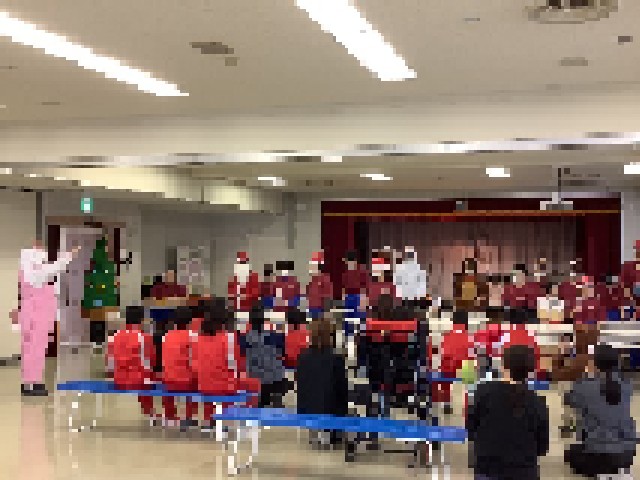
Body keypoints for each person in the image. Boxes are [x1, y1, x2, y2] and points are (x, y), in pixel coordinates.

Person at [467, 345, 549, 480]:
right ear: (530, 370)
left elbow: (471, 429)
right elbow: (542, 448)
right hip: (524, 473)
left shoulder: (482, 392)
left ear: (503, 366)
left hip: (488, 470)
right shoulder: (538, 402)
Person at [14, 240, 80, 396]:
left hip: (35, 314)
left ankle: (30, 382)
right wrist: (68, 256)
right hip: (37, 315)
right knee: (35, 349)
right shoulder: (33, 273)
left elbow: (50, 270)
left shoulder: (28, 272)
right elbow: (52, 268)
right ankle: (32, 383)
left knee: (32, 348)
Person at [565, 344, 637, 478]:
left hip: (598, 455)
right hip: (627, 454)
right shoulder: (627, 384)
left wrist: (586, 376)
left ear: (595, 364)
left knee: (570, 454)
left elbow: (569, 399)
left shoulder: (585, 386)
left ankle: (603, 472)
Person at [192, 299, 259, 427]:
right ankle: (246, 419)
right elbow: (235, 364)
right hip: (224, 386)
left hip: (203, 385)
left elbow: (196, 363)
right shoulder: (229, 337)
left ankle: (208, 419)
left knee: (210, 377)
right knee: (254, 384)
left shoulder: (198, 338)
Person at [297, 316, 348, 449]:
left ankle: (317, 433)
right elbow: (342, 390)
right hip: (330, 410)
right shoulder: (336, 358)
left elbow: (302, 387)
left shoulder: (303, 357)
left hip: (307, 409)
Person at [105, 305, 157, 420]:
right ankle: (149, 410)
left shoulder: (115, 336)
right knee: (151, 375)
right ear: (142, 320)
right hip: (138, 381)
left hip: (118, 380)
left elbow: (109, 363)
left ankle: (148, 411)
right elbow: (150, 362)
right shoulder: (144, 337)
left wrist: (113, 376)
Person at [161, 306, 199, 428]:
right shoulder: (193, 336)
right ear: (191, 321)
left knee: (167, 375)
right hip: (187, 382)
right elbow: (195, 361)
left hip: (169, 380)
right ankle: (189, 415)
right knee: (196, 379)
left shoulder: (167, 336)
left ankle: (169, 415)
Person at [244, 306, 287, 408]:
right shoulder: (274, 337)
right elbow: (282, 354)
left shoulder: (245, 339)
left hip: (256, 379)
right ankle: (277, 405)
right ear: (264, 320)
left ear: (250, 321)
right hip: (274, 378)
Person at [436, 310, 475, 415]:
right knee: (470, 370)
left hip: (449, 364)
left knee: (444, 368)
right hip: (465, 364)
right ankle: (469, 404)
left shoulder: (446, 336)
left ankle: (446, 403)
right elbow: (471, 354)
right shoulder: (469, 337)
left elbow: (443, 352)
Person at [306, 251, 334, 320]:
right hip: (312, 308)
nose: (310, 268)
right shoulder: (312, 280)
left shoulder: (325, 278)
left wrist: (327, 312)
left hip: (320, 310)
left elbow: (328, 296)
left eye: (312, 266)